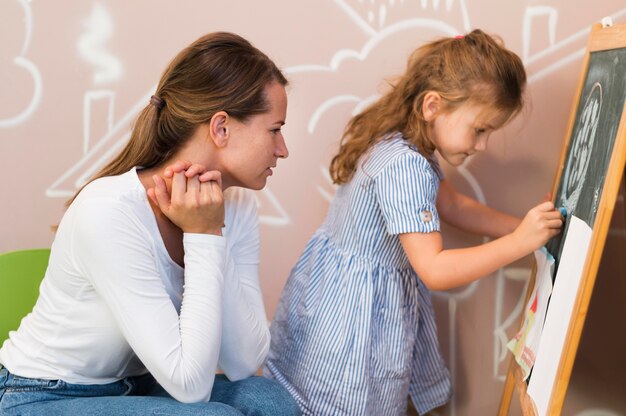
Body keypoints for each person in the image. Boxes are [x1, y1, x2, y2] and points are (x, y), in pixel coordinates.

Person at [264, 29, 564, 415]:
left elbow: (452, 205)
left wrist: (521, 227)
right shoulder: (406, 165)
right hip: (355, 319)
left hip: (339, 295)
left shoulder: (405, 143)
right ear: (432, 106)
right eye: (480, 129)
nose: (482, 145)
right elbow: (435, 269)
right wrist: (519, 243)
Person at [0, 32, 300, 416]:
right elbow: (190, 387)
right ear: (221, 127)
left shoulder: (237, 205)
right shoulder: (109, 211)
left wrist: (210, 231)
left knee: (270, 401)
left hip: (137, 386)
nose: (283, 149)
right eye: (275, 129)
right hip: (41, 395)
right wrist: (204, 235)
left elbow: (242, 362)